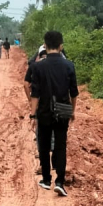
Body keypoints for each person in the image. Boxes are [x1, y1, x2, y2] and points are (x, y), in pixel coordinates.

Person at [29, 31, 78, 197]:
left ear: (45, 45)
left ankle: (46, 179)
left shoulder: (37, 66)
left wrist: (32, 115)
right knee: (60, 145)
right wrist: (72, 110)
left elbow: (35, 93)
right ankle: (60, 182)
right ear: (61, 46)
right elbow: (74, 92)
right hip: (63, 110)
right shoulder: (69, 66)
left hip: (44, 111)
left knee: (43, 145)